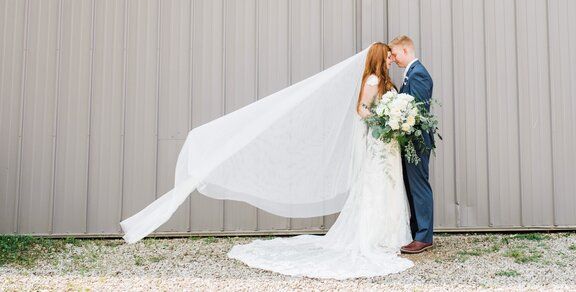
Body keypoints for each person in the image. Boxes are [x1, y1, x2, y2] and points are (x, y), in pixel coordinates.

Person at [119, 42, 417, 280]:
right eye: (388, 56)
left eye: (394, 56)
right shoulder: (373, 80)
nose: (392, 59)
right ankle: (373, 237)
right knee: (375, 188)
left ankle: (389, 235)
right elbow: (361, 111)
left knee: (388, 187)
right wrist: (383, 118)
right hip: (378, 143)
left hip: (386, 146)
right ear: (380, 57)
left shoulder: (385, 81)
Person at [389, 35, 434, 254]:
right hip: (409, 140)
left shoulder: (419, 75)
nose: (394, 59)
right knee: (411, 186)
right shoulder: (411, 74)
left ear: (406, 51)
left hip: (417, 141)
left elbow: (416, 112)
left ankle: (424, 236)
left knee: (419, 186)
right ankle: (417, 232)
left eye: (396, 54)